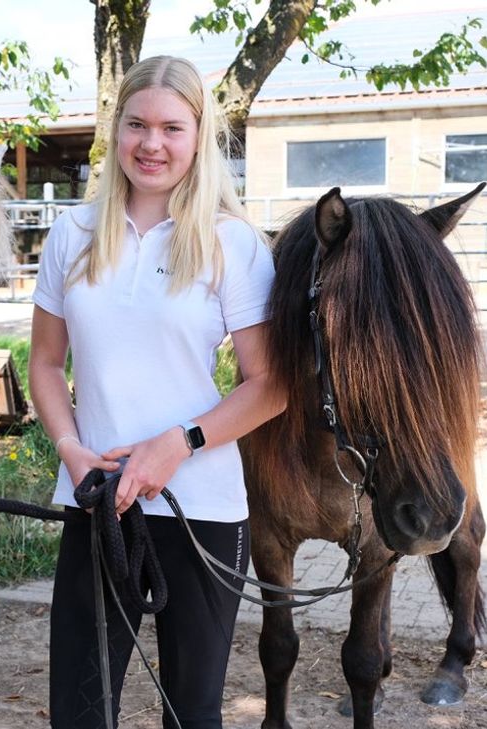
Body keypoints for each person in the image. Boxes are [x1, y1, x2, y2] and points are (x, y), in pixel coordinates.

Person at [28, 55, 285, 729]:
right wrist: (71, 449)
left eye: (172, 127)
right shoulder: (72, 235)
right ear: (115, 132)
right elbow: (46, 364)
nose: (152, 143)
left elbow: (270, 385)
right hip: (96, 502)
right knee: (80, 714)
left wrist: (180, 442)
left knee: (192, 715)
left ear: (198, 135)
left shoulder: (234, 245)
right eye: (137, 125)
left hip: (200, 507)